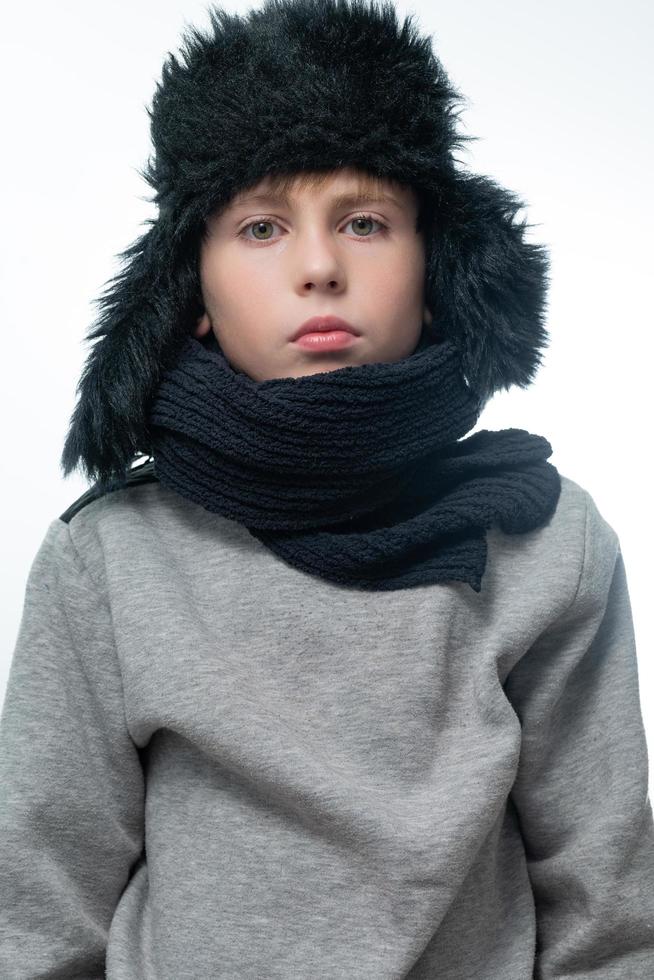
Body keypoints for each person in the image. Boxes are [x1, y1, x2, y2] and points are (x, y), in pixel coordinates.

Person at [1, 0, 652, 977]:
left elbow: (609, 910)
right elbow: (40, 914)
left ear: (437, 268)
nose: (319, 266)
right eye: (261, 225)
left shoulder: (548, 541)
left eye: (365, 221)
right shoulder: (110, 558)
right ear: (197, 292)